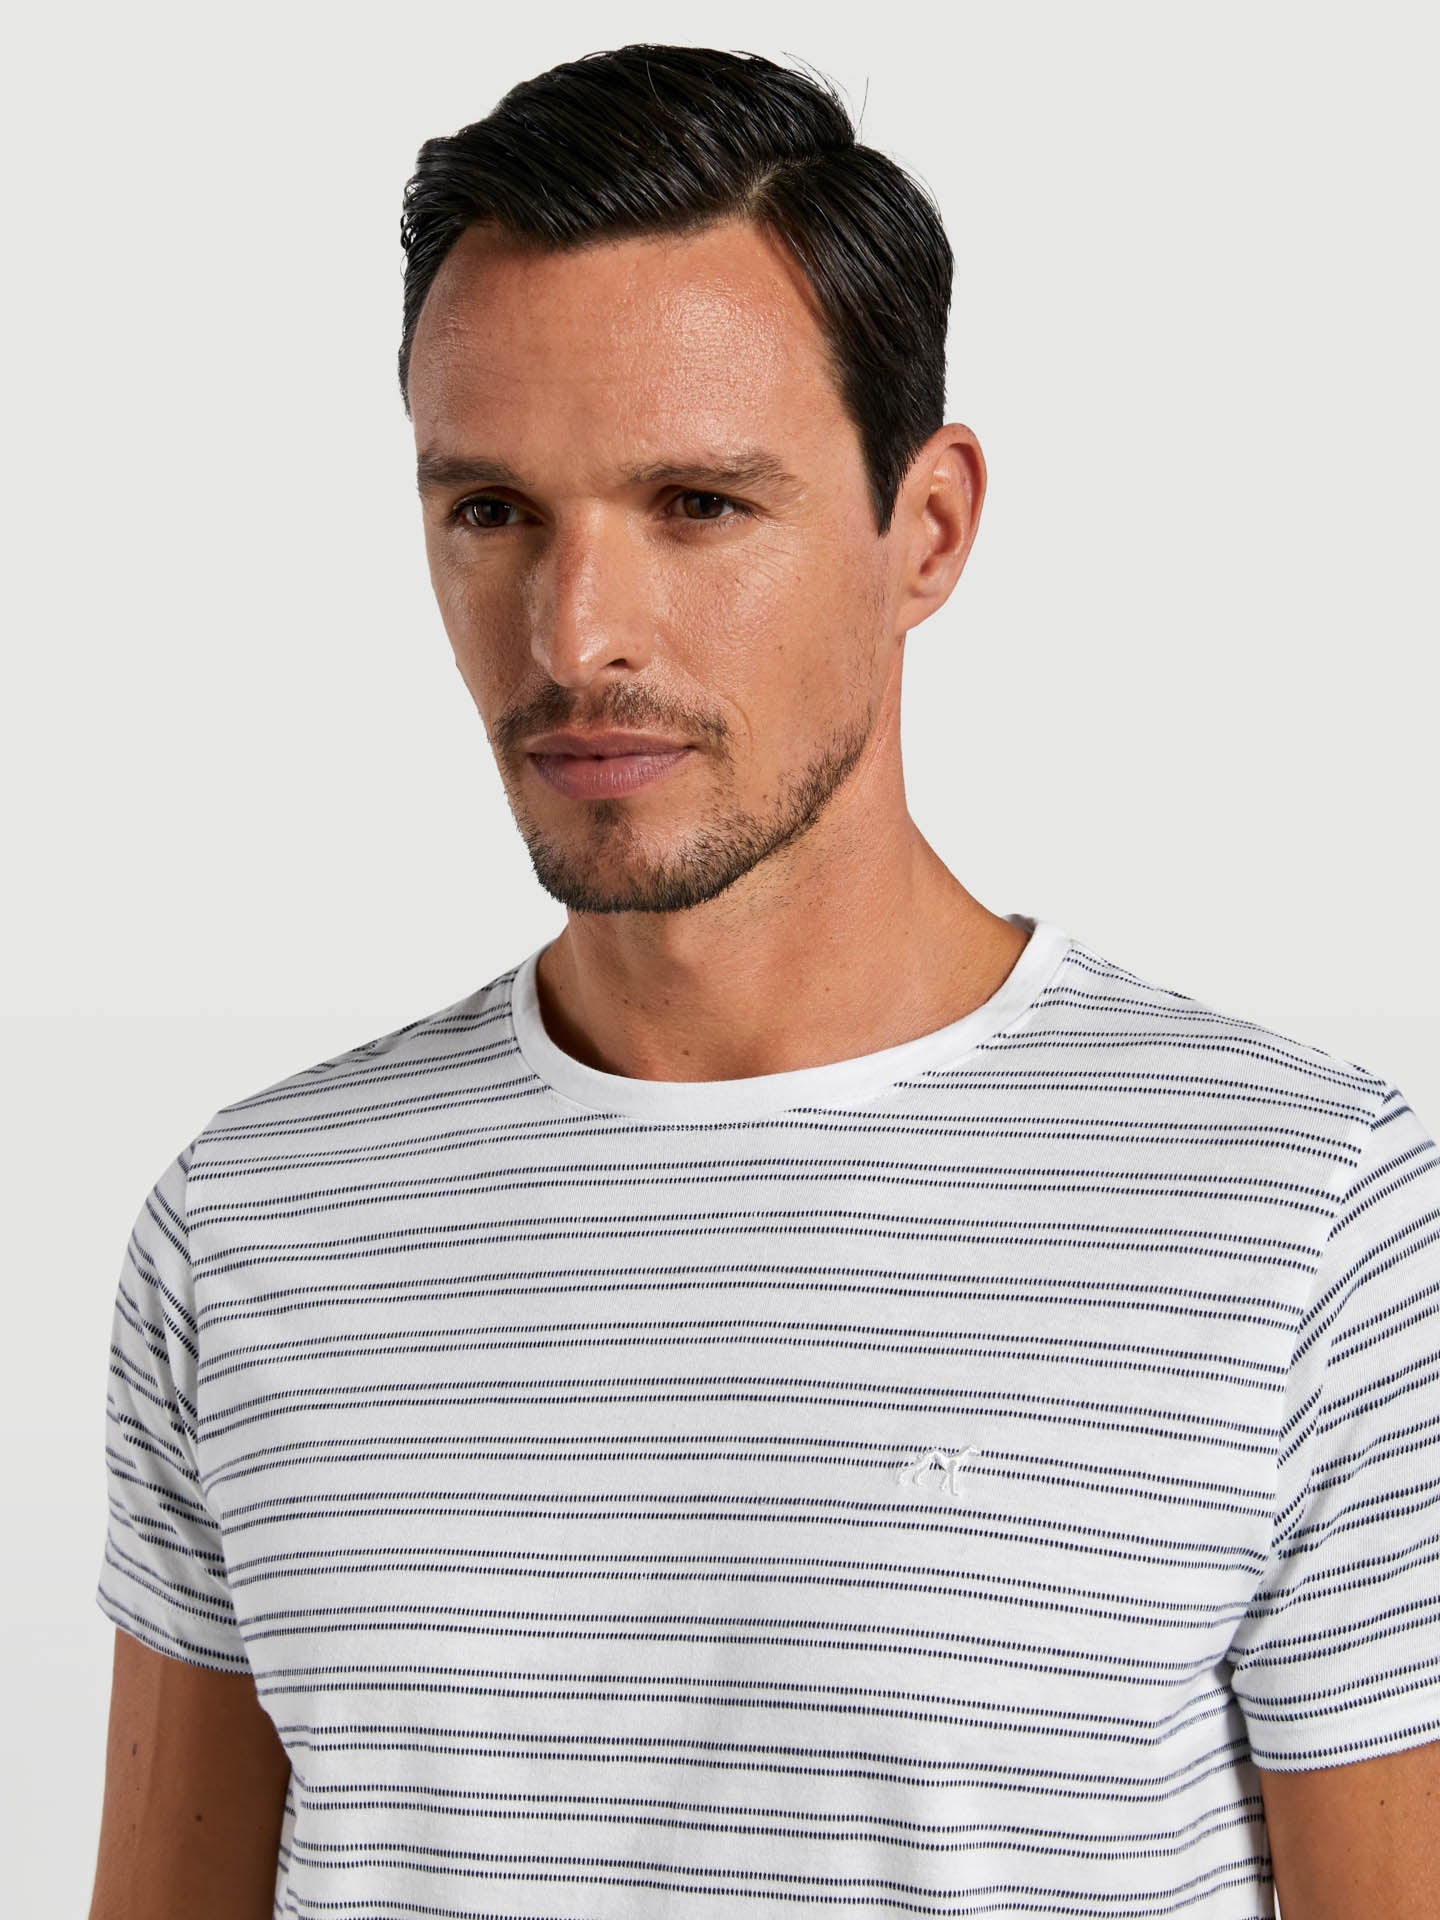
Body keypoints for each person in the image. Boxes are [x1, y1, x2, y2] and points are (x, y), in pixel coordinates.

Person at [87, 43, 1440, 1920]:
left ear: (927, 528)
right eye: (491, 509)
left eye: (699, 506)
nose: (577, 635)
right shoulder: (252, 1225)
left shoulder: (1305, 1218)